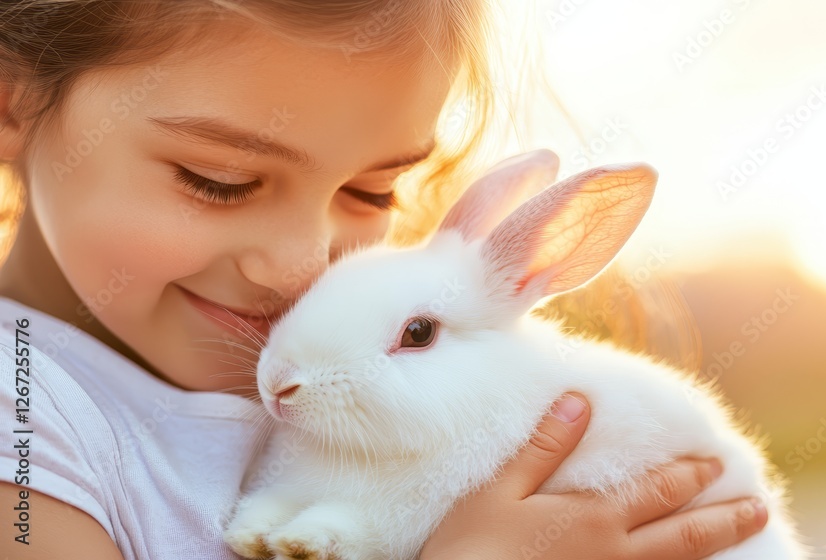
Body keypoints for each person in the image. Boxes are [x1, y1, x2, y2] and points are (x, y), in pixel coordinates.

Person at [0, 1, 768, 558]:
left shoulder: (322, 360)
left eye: (373, 192)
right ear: (13, 103)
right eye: (219, 180)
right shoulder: (23, 412)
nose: (303, 265)